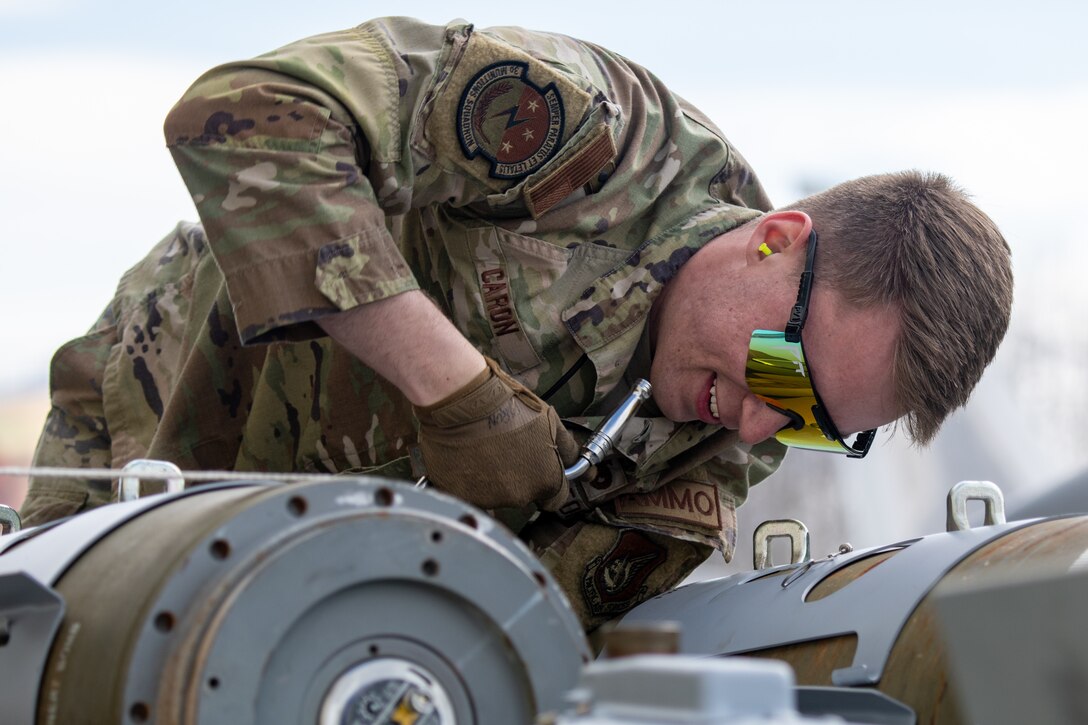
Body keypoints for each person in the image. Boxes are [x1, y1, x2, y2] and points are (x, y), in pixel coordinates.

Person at [20, 17, 1012, 630]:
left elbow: (522, 628)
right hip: (158, 429)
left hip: (312, 601)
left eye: (811, 422)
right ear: (775, 242)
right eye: (783, 376)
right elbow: (244, 112)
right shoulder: (582, 141)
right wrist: (452, 389)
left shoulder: (723, 434)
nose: (757, 428)